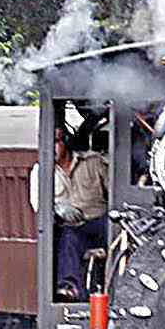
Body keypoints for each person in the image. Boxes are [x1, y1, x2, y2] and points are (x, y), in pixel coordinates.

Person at [53, 127, 108, 300]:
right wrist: (57, 208)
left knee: (114, 230)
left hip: (100, 221)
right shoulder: (41, 171)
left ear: (66, 142)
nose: (51, 147)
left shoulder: (93, 162)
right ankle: (70, 288)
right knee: (68, 238)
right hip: (73, 227)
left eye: (56, 142)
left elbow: (115, 192)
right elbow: (37, 205)